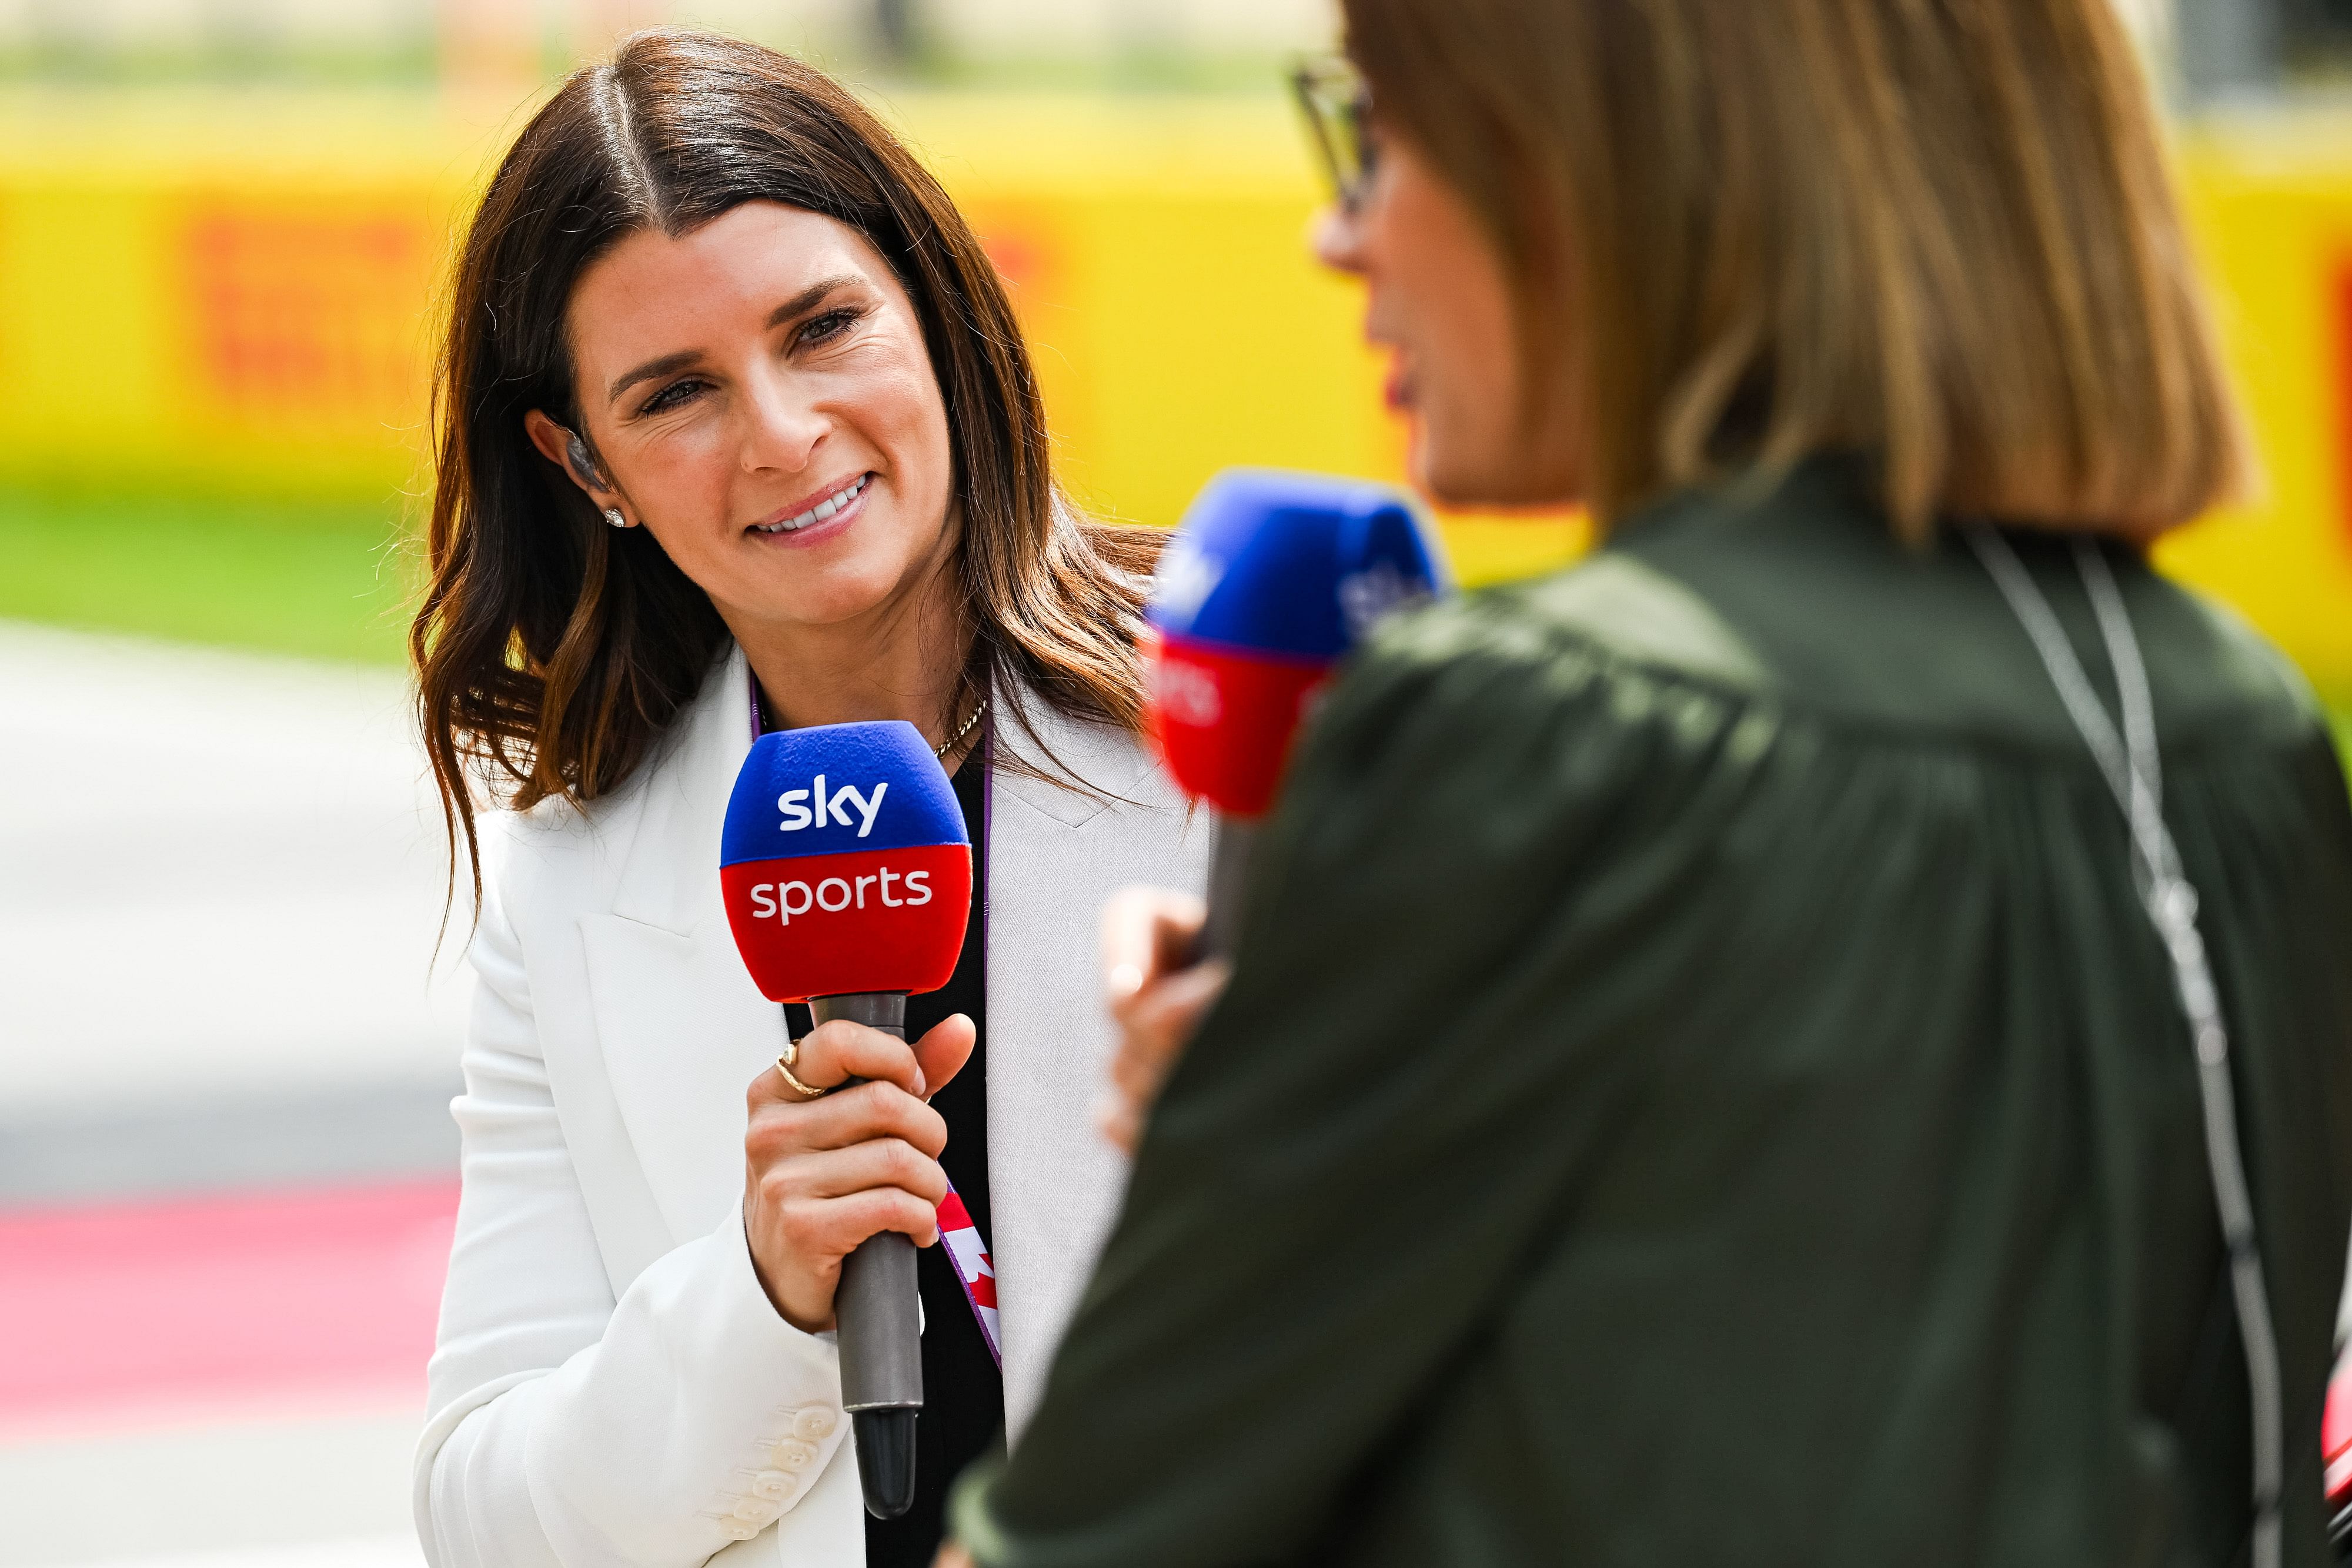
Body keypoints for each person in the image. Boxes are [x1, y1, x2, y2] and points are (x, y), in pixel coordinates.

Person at [946, 1, 2352, 1564]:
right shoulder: (2251, 736)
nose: (1340, 234)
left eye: (1380, 138)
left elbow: (1099, 1527)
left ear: (1599, 173)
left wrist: (1236, 1174)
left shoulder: (1534, 725)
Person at [407, 30, 1205, 1568]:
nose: (780, 433)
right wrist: (763, 1292)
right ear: (588, 467)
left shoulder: (1249, 727)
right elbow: (484, 1517)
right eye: (677, 393)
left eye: (823, 326)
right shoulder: (575, 880)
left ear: (932, 305)